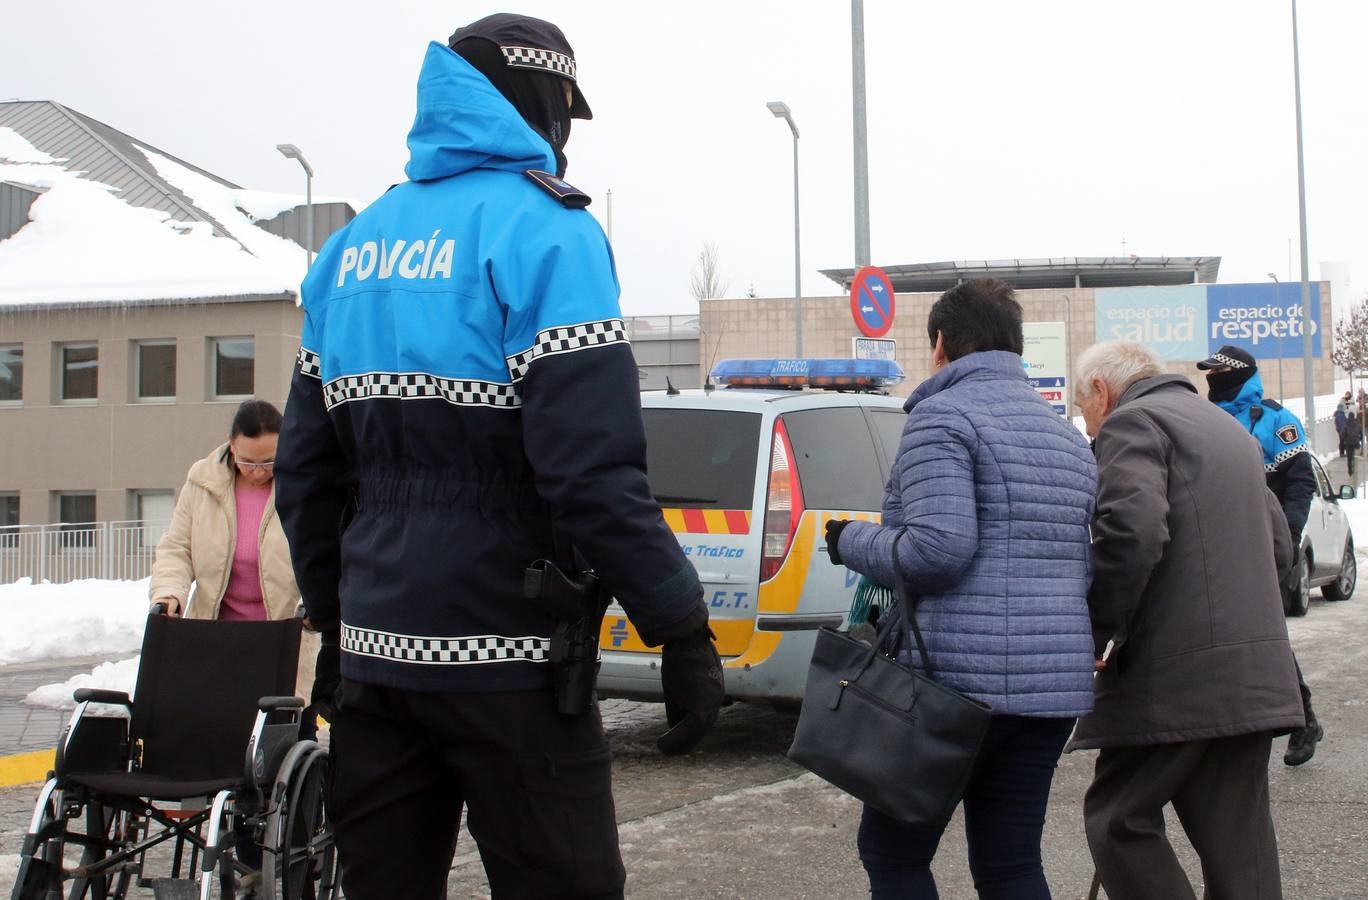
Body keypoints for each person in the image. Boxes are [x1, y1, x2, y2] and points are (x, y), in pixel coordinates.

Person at [272, 14, 723, 900]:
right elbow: (589, 473)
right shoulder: (546, 233)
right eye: (565, 111)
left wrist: (334, 616)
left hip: (376, 659)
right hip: (512, 658)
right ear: (541, 100)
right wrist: (679, 625)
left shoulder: (350, 250)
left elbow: (305, 474)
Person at [825, 278, 1098, 898]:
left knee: (892, 853)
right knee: (1011, 864)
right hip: (1048, 691)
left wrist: (848, 539)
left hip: (954, 687)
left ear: (941, 343)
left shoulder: (942, 417)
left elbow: (937, 550)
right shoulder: (1068, 438)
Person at [1070, 339, 1303, 899]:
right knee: (1238, 844)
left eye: (1084, 411)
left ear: (1100, 390)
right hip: (1252, 673)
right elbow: (1279, 550)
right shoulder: (1229, 431)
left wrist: (1097, 628)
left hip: (1175, 676)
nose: (1089, 426)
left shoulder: (1133, 424)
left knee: (1118, 818)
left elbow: (1134, 531)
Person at [148, 398, 317, 896]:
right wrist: (169, 594)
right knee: (230, 772)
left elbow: (328, 548)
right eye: (249, 461)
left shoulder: (306, 483)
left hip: (285, 648)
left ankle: (292, 874)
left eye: (270, 461)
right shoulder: (203, 482)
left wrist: (318, 599)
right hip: (219, 653)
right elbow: (176, 548)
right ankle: (238, 871)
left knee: (277, 777)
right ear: (231, 448)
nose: (259, 471)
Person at [1196, 344, 1323, 765]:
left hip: (1264, 544)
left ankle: (1302, 719)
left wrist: (1285, 534)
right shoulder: (1206, 419)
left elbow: (1299, 483)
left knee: (1262, 633)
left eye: (1219, 372)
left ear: (1240, 374)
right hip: (1217, 546)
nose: (1211, 379)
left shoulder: (1275, 421)